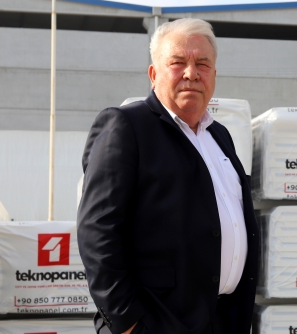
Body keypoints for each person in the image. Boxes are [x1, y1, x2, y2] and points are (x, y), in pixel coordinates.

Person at [77, 18, 258, 334]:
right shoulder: (126, 126)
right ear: (153, 74)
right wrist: (127, 322)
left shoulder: (220, 137)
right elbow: (97, 230)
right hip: (156, 323)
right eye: (178, 62)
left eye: (203, 64)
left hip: (221, 321)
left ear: (214, 75)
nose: (191, 73)